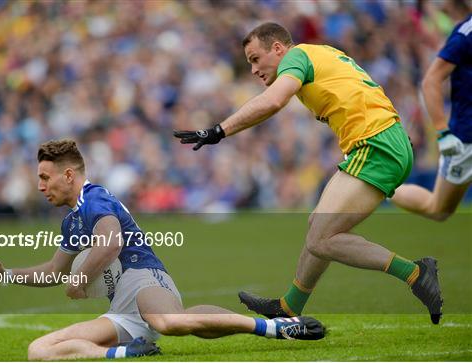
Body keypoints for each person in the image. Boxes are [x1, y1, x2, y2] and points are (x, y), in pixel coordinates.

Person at [174, 22, 443, 324]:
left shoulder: (296, 57)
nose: (253, 70)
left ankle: (415, 273)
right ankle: (291, 306)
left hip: (376, 143)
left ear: (278, 48)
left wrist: (218, 131)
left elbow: (273, 101)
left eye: (255, 59)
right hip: (383, 139)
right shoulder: (318, 54)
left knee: (321, 239)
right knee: (319, 225)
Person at [0, 139, 324, 361]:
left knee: (169, 321)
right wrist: (4, 275)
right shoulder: (71, 222)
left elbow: (111, 242)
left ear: (68, 175)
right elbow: (54, 272)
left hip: (143, 277)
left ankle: (278, 328)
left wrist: (81, 278)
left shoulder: (94, 198)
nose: (40, 186)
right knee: (38, 351)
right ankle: (126, 353)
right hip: (121, 311)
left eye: (45, 177)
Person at [392, 7, 471, 221]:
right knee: (438, 209)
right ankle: (385, 186)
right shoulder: (465, 33)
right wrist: (443, 133)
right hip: (466, 138)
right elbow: (430, 81)